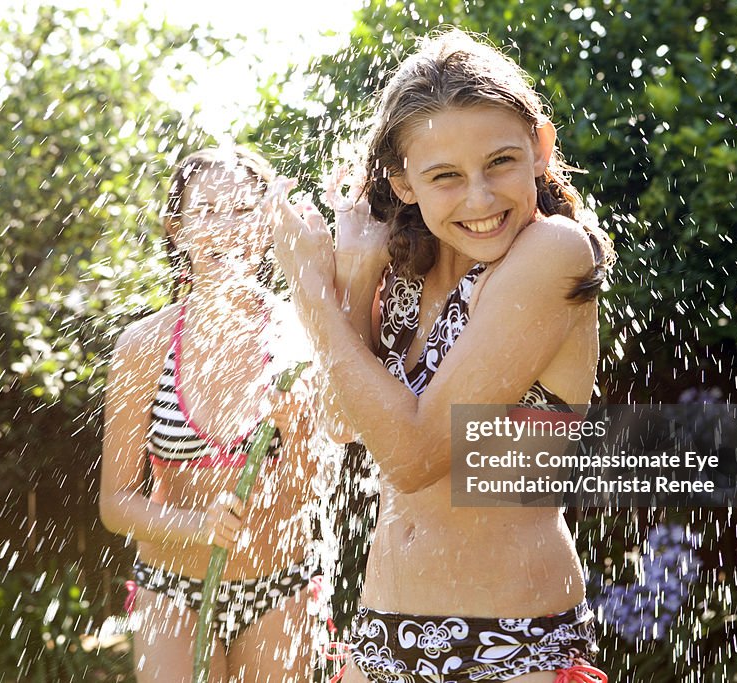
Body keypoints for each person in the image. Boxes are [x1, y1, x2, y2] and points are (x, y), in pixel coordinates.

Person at [269, 28, 615, 683]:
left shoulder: (552, 252)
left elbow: (415, 454)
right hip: (382, 635)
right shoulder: (406, 267)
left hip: (509, 645)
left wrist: (311, 291)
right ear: (402, 181)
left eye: (501, 163)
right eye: (446, 177)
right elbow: (343, 422)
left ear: (540, 147)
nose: (481, 199)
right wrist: (360, 271)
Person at [100, 146, 319, 682]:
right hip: (173, 588)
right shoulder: (144, 346)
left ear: (268, 222)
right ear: (176, 228)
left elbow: (314, 495)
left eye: (244, 211)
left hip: (279, 586)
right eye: (207, 212)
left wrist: (298, 434)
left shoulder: (302, 336)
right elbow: (115, 505)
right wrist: (199, 527)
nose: (226, 229)